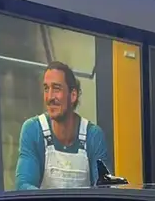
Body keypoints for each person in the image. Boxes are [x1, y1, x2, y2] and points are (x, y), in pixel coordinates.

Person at [14, 61, 111, 190]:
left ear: (73, 95)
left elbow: (104, 189)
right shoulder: (33, 130)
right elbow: (23, 185)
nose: (49, 97)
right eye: (46, 89)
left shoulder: (93, 136)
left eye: (56, 88)